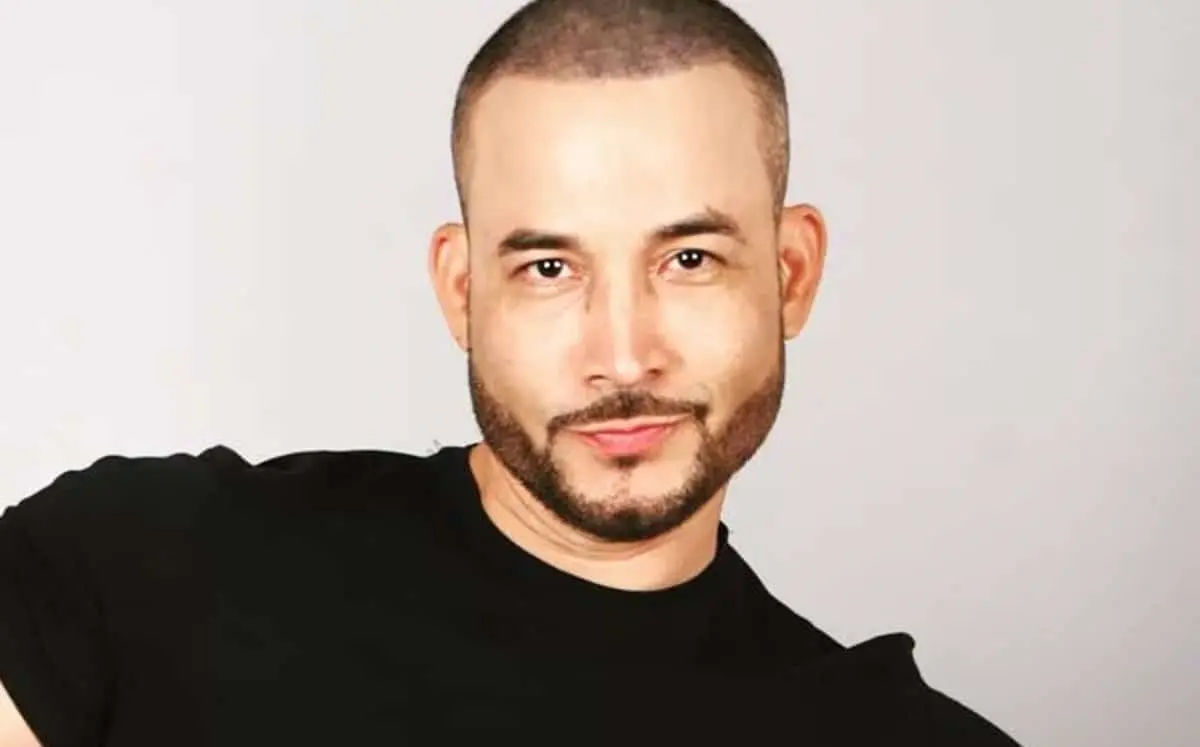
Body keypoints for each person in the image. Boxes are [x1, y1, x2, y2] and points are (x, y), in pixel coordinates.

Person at [0, 0, 1022, 744]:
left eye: (689, 259)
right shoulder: (137, 565)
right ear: (461, 290)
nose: (621, 354)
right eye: (548, 268)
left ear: (792, 274)